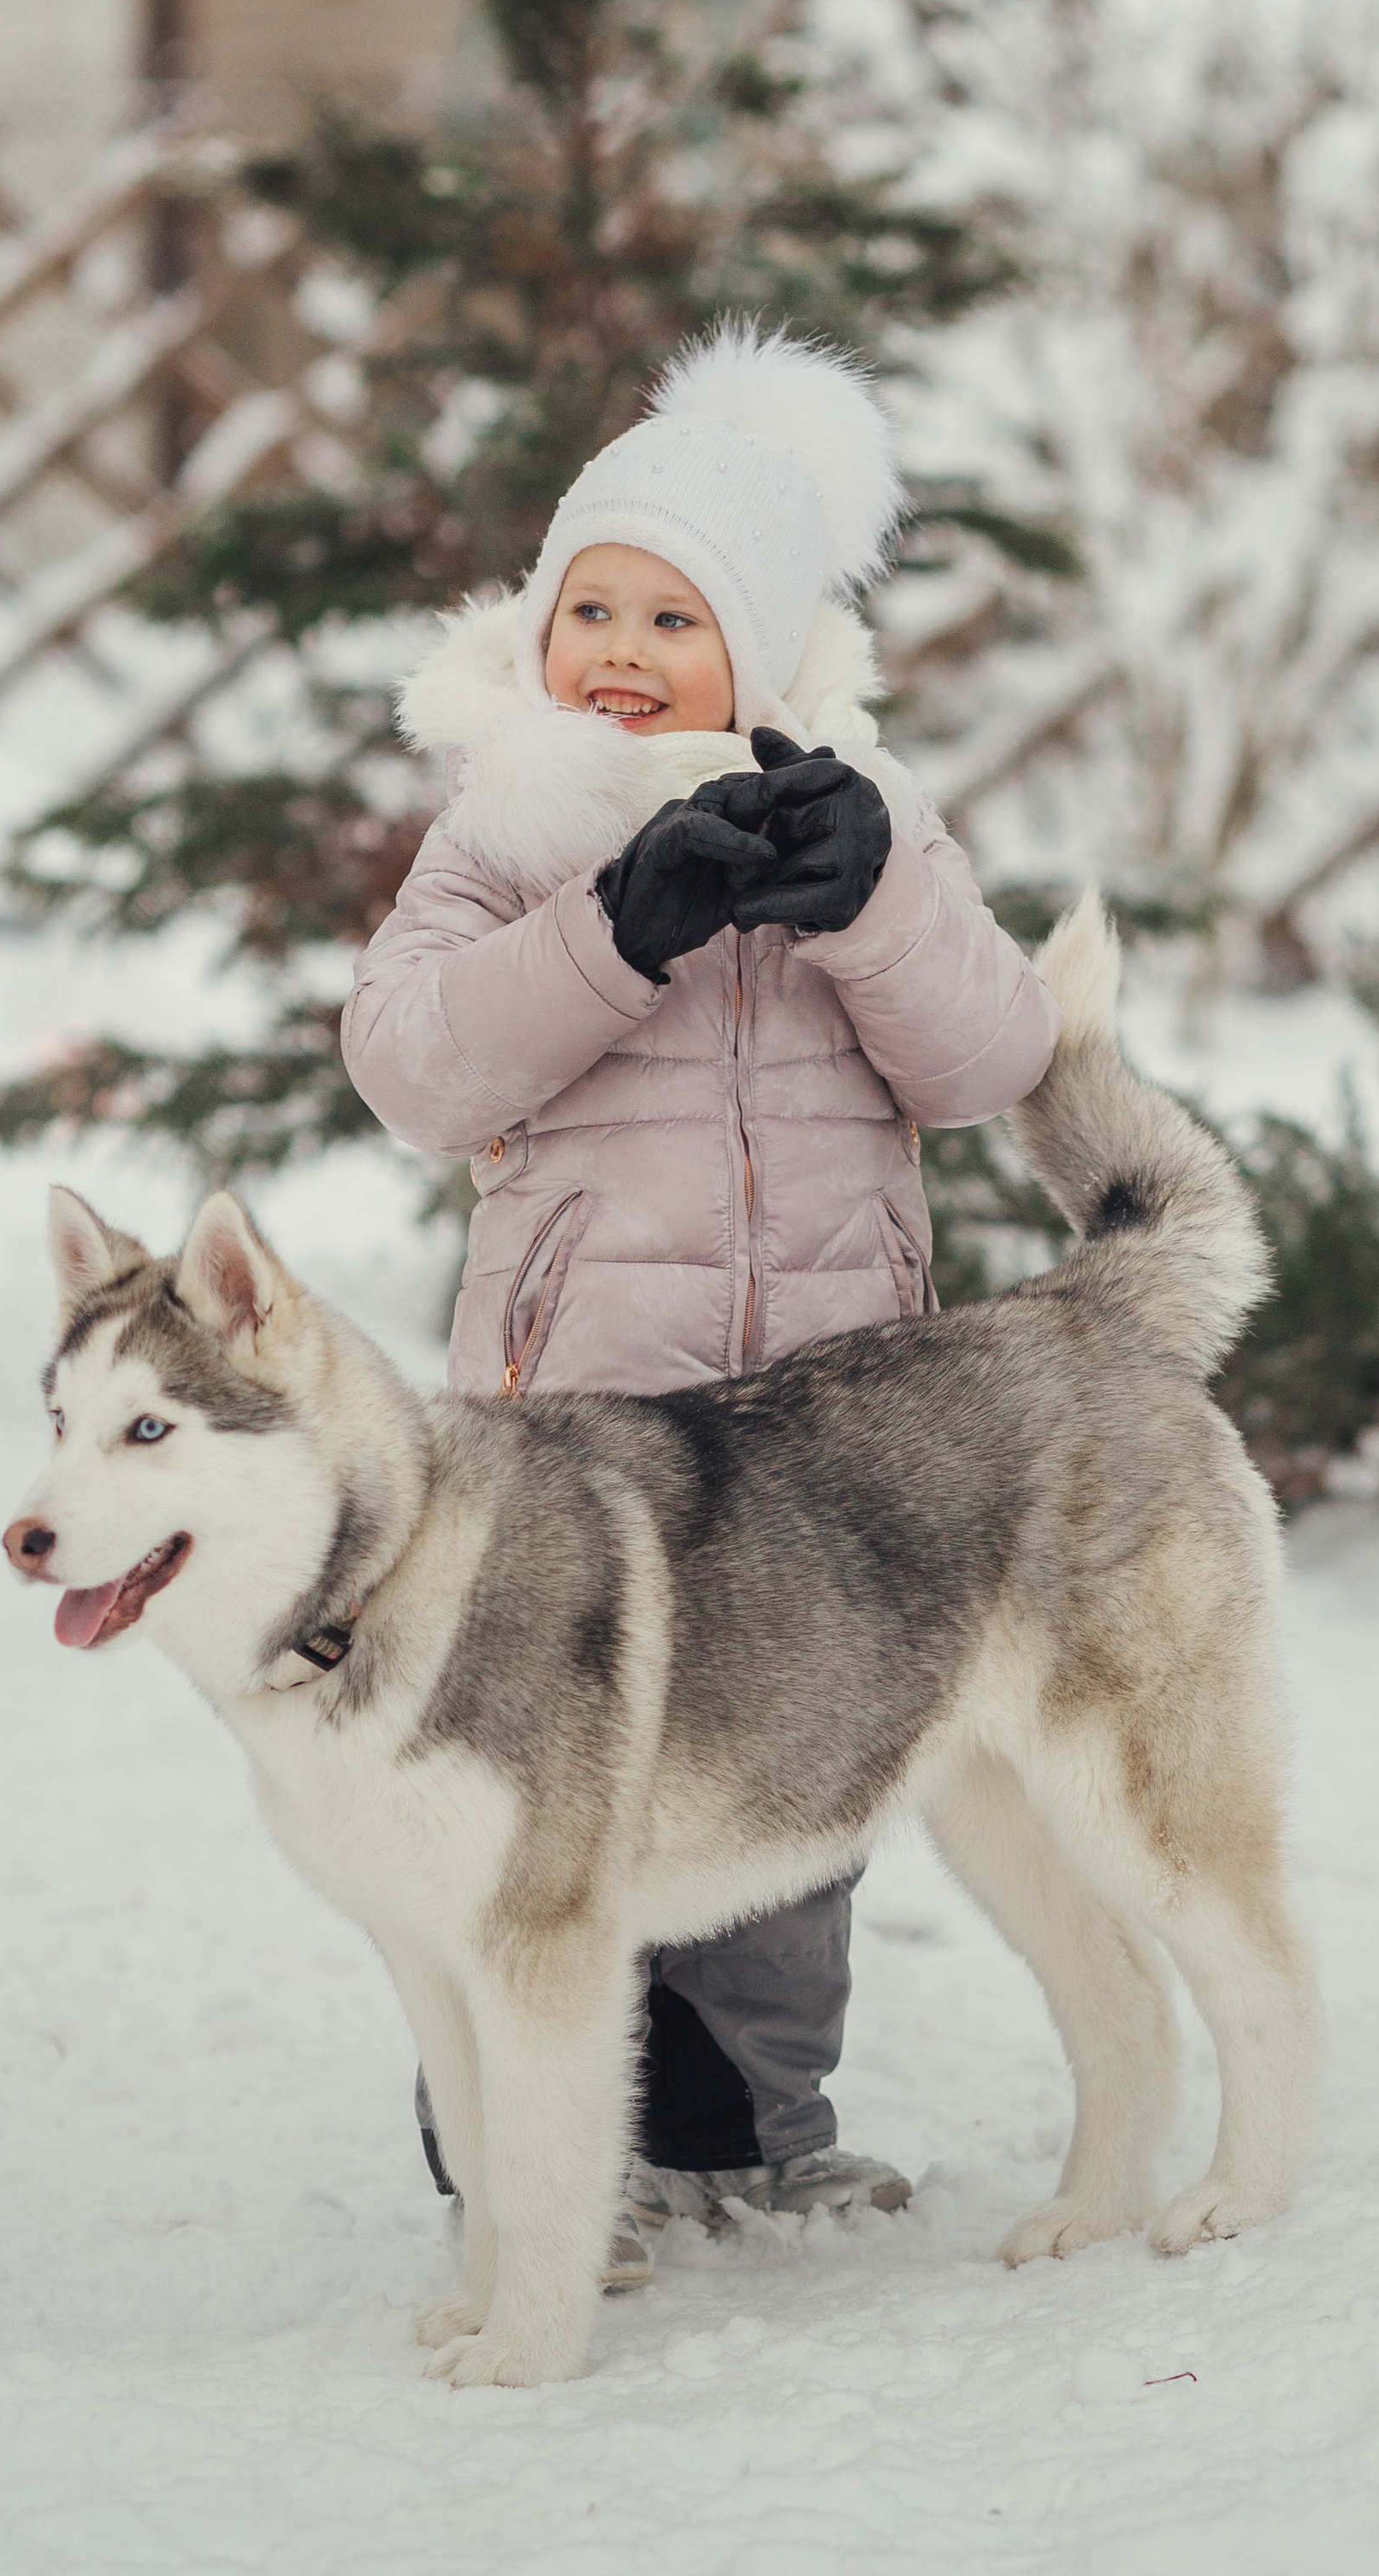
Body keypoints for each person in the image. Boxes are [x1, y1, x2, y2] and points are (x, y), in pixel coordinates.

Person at [340, 322, 1061, 2284]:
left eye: (675, 615)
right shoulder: (511, 828)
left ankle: (750, 2133)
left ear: (762, 650)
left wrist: (881, 902)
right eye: (593, 606)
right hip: (579, 1417)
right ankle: (532, 2143)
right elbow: (410, 1067)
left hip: (826, 1419)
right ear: (537, 627)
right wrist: (617, 926)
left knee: (793, 1771)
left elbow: (986, 1059)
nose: (626, 650)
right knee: (544, 1768)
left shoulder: (865, 823)